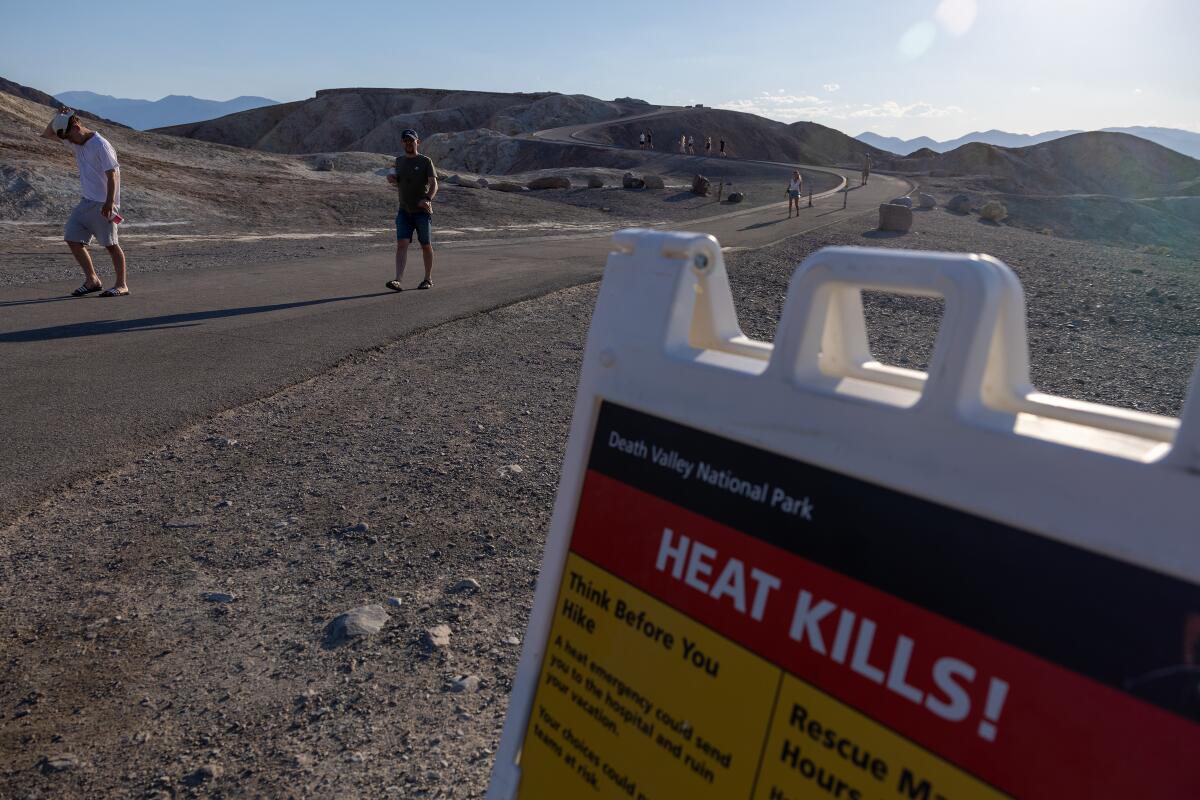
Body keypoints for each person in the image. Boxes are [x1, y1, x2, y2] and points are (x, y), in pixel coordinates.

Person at [40, 108, 129, 297]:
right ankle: (92, 280)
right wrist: (59, 117)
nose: (69, 142)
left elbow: (112, 175)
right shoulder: (77, 143)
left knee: (111, 245)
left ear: (77, 127)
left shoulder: (101, 145)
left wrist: (109, 203)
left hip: (104, 204)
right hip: (86, 202)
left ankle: (121, 285)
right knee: (72, 238)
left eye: (70, 136)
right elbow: (46, 134)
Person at [385, 128, 438, 291]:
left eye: (411, 140)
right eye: (405, 140)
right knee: (402, 244)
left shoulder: (425, 161)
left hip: (421, 211)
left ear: (418, 142)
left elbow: (434, 183)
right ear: (403, 143)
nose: (408, 143)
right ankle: (397, 280)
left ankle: (428, 279)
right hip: (404, 211)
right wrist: (391, 179)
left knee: (425, 244)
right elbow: (394, 179)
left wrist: (427, 198)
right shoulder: (398, 161)